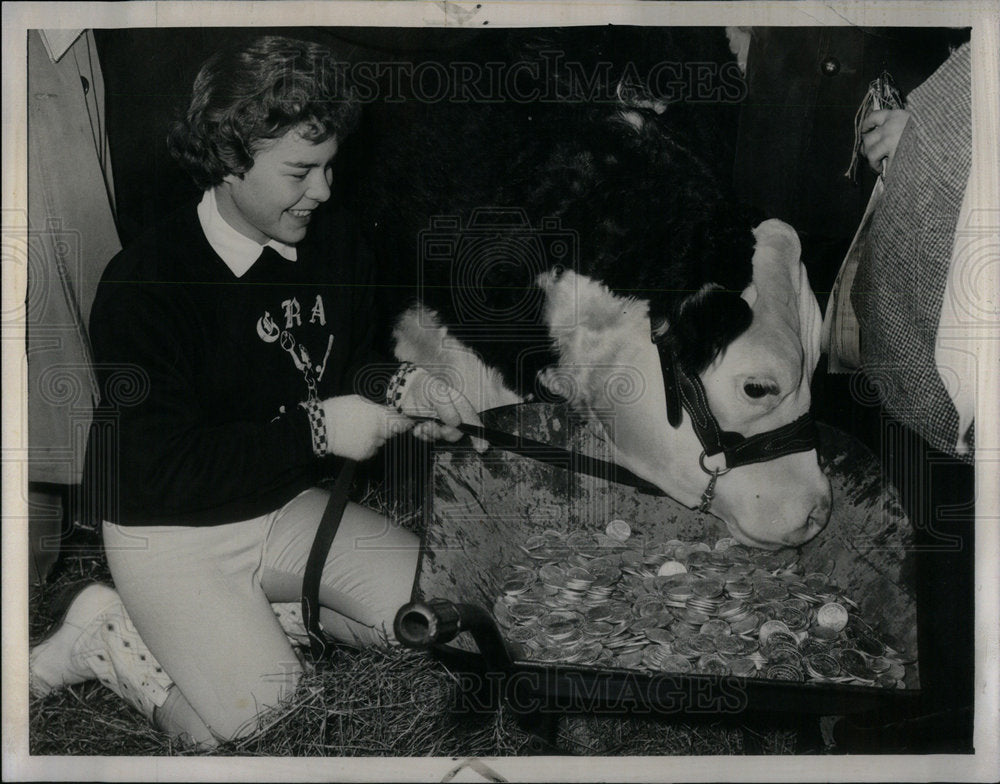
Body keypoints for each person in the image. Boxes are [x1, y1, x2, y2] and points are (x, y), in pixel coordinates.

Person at [28, 35, 484, 748]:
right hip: (171, 533)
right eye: (300, 171)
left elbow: (344, 362)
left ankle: (264, 620)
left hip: (279, 504)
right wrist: (319, 433)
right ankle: (110, 639)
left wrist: (407, 386)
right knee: (271, 736)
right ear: (230, 158)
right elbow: (160, 469)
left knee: (455, 621)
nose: (325, 192)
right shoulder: (145, 283)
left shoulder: (335, 242)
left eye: (330, 166)